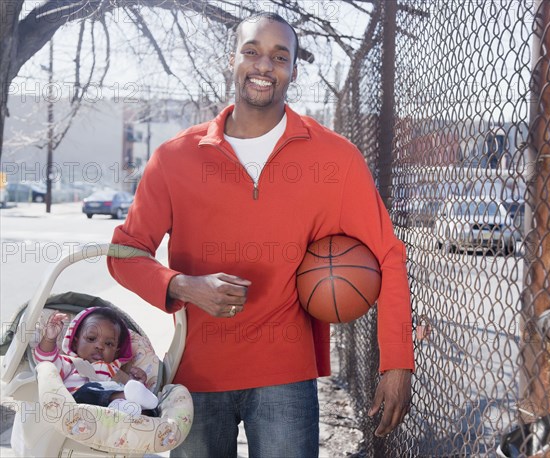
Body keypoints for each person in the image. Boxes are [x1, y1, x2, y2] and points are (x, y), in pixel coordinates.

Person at [108, 11, 414, 457]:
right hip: (196, 374)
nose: (264, 65)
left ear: (292, 69)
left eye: (279, 55)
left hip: (285, 373)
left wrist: (398, 362)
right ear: (231, 59)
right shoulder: (175, 158)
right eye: (252, 51)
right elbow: (123, 252)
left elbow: (388, 254)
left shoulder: (335, 159)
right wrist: (183, 286)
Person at [34, 307, 159, 416]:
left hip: (116, 413)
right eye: (91, 338)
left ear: (116, 352)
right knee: (88, 390)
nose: (100, 346)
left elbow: (134, 390)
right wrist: (50, 338)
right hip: (79, 409)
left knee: (151, 409)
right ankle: (123, 397)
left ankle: (136, 409)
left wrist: (138, 382)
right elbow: (46, 363)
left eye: (109, 344)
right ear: (76, 342)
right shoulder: (70, 364)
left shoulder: (116, 372)